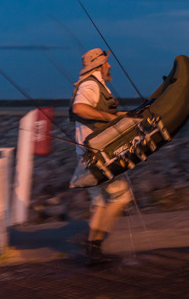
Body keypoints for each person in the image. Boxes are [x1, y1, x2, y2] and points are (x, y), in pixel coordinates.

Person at [68, 48, 132, 266]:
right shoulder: (90, 85)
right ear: (98, 65)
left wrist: (120, 117)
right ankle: (95, 244)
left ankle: (93, 250)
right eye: (107, 62)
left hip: (88, 154)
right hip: (98, 155)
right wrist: (107, 116)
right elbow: (79, 108)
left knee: (100, 201)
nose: (110, 66)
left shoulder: (93, 84)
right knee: (121, 197)